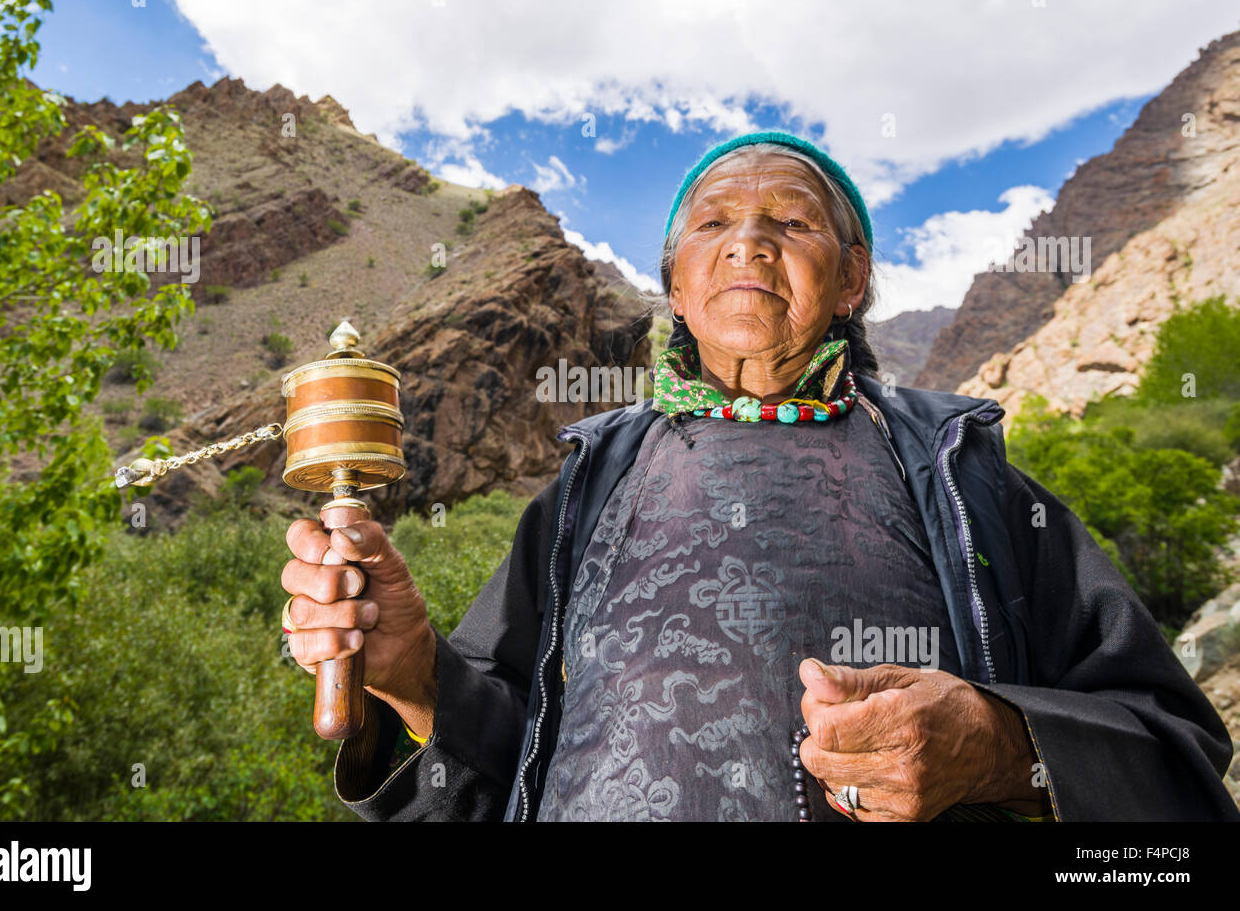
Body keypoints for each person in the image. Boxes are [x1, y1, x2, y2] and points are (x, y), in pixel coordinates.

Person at [280, 131, 1239, 821]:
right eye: (713, 223)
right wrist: (417, 681)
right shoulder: (585, 488)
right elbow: (506, 768)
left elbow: (1180, 767)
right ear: (677, 286)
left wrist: (1004, 750)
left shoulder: (965, 478)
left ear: (852, 279)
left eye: (791, 219)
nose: (749, 240)